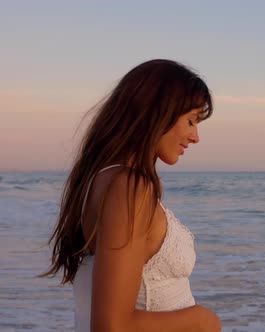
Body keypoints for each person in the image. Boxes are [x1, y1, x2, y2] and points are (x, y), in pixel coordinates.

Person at [40, 59, 222, 332]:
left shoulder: (106, 180)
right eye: (191, 120)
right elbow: (112, 326)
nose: (195, 136)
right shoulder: (128, 187)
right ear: (158, 112)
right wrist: (202, 319)